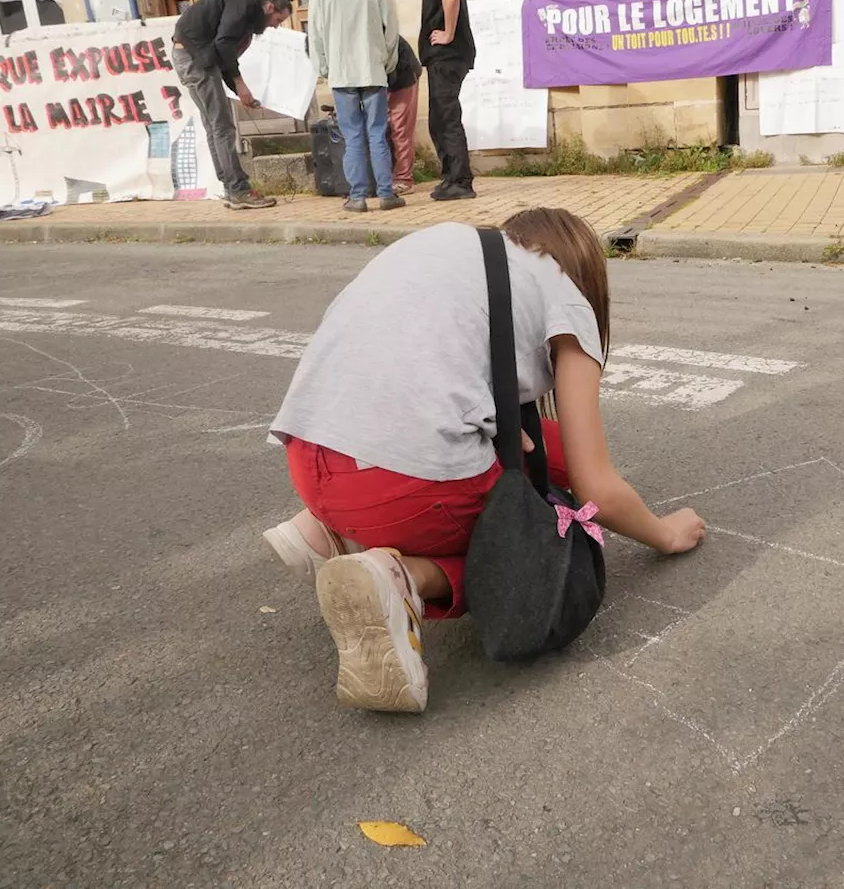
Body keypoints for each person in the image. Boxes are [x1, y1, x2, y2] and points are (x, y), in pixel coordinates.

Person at [262, 208, 707, 713]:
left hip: (311, 462)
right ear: (586, 276)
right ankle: (403, 578)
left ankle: (327, 533)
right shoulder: (568, 300)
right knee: (523, 537)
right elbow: (595, 488)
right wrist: (665, 533)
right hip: (401, 487)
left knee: (538, 453)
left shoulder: (452, 248)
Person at [172, 0, 292, 210]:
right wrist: (239, 82)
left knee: (214, 126)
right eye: (278, 19)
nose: (275, 25)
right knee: (223, 127)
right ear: (269, 7)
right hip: (195, 60)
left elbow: (222, 55)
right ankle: (238, 190)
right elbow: (224, 44)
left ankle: (230, 188)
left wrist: (240, 91)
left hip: (191, 58)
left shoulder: (243, 12)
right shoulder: (243, 3)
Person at [307, 0, 404, 212]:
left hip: (341, 72)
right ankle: (386, 193)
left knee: (353, 136)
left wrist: (324, 67)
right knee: (377, 134)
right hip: (373, 69)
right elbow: (391, 28)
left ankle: (358, 196)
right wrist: (387, 60)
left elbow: (315, 34)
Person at [390, 0, 477, 201]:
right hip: (447, 56)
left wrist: (448, 34)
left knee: (445, 118)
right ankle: (452, 178)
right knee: (439, 120)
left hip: (447, 56)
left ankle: (460, 182)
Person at [387, 35, 422, 195]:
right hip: (380, 79)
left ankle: (404, 179)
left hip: (403, 74)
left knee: (399, 127)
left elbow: (391, 59)